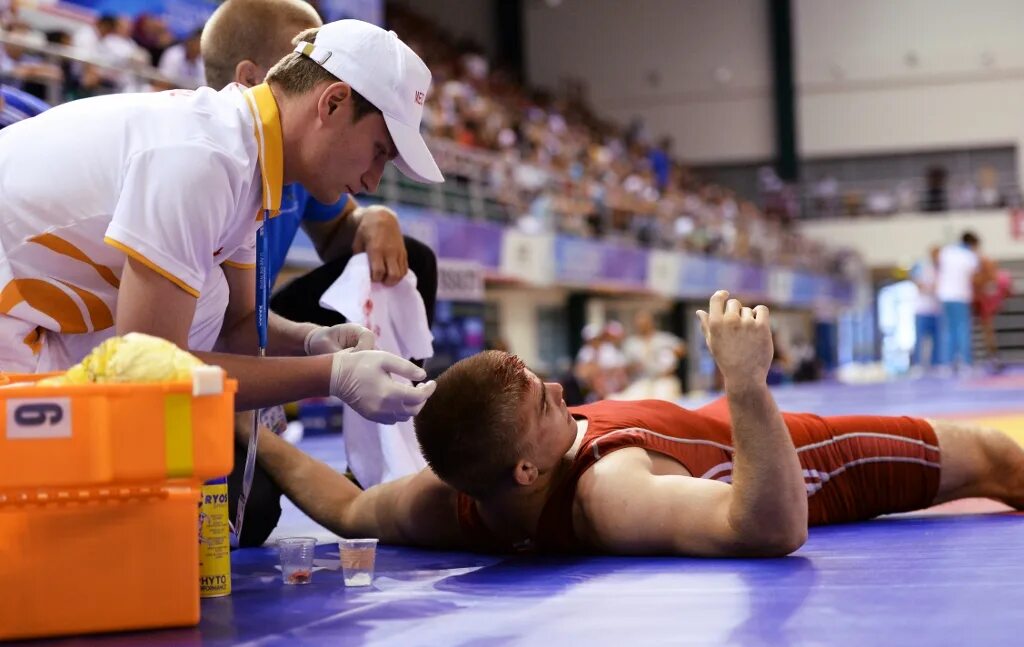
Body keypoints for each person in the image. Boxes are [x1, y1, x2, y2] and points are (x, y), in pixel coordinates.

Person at [247, 291, 1024, 557]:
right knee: (996, 457)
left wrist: (255, 435)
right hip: (770, 452)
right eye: (543, 401)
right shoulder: (609, 492)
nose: (558, 387)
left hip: (703, 420)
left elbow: (348, 507)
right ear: (526, 470)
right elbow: (772, 528)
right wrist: (748, 383)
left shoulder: (452, 492)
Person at [0, 20, 441, 425]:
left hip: (29, 312)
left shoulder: (241, 145)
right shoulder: (206, 159)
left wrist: (311, 339)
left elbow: (239, 324)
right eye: (380, 151)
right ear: (334, 102)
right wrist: (331, 376)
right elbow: (149, 376)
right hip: (14, 320)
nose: (374, 179)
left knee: (208, 294)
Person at [199, 0, 441, 545]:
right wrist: (327, 374)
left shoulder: (279, 171)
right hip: (181, 349)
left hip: (240, 331)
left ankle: (388, 449)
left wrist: (375, 219)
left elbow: (243, 318)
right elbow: (163, 358)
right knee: (246, 515)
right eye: (302, 56)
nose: (314, 62)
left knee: (403, 257)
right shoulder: (213, 165)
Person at [936, 231, 981, 371]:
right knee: (962, 329)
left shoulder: (946, 251)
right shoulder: (970, 256)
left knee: (948, 330)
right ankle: (965, 362)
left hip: (944, 295)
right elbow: (975, 278)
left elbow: (938, 267)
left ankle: (947, 363)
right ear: (972, 244)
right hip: (960, 296)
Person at [910, 246, 941, 371]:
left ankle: (935, 364)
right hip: (922, 310)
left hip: (936, 310)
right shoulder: (922, 266)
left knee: (937, 340)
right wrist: (931, 288)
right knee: (920, 339)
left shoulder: (940, 269)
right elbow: (918, 284)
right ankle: (918, 364)